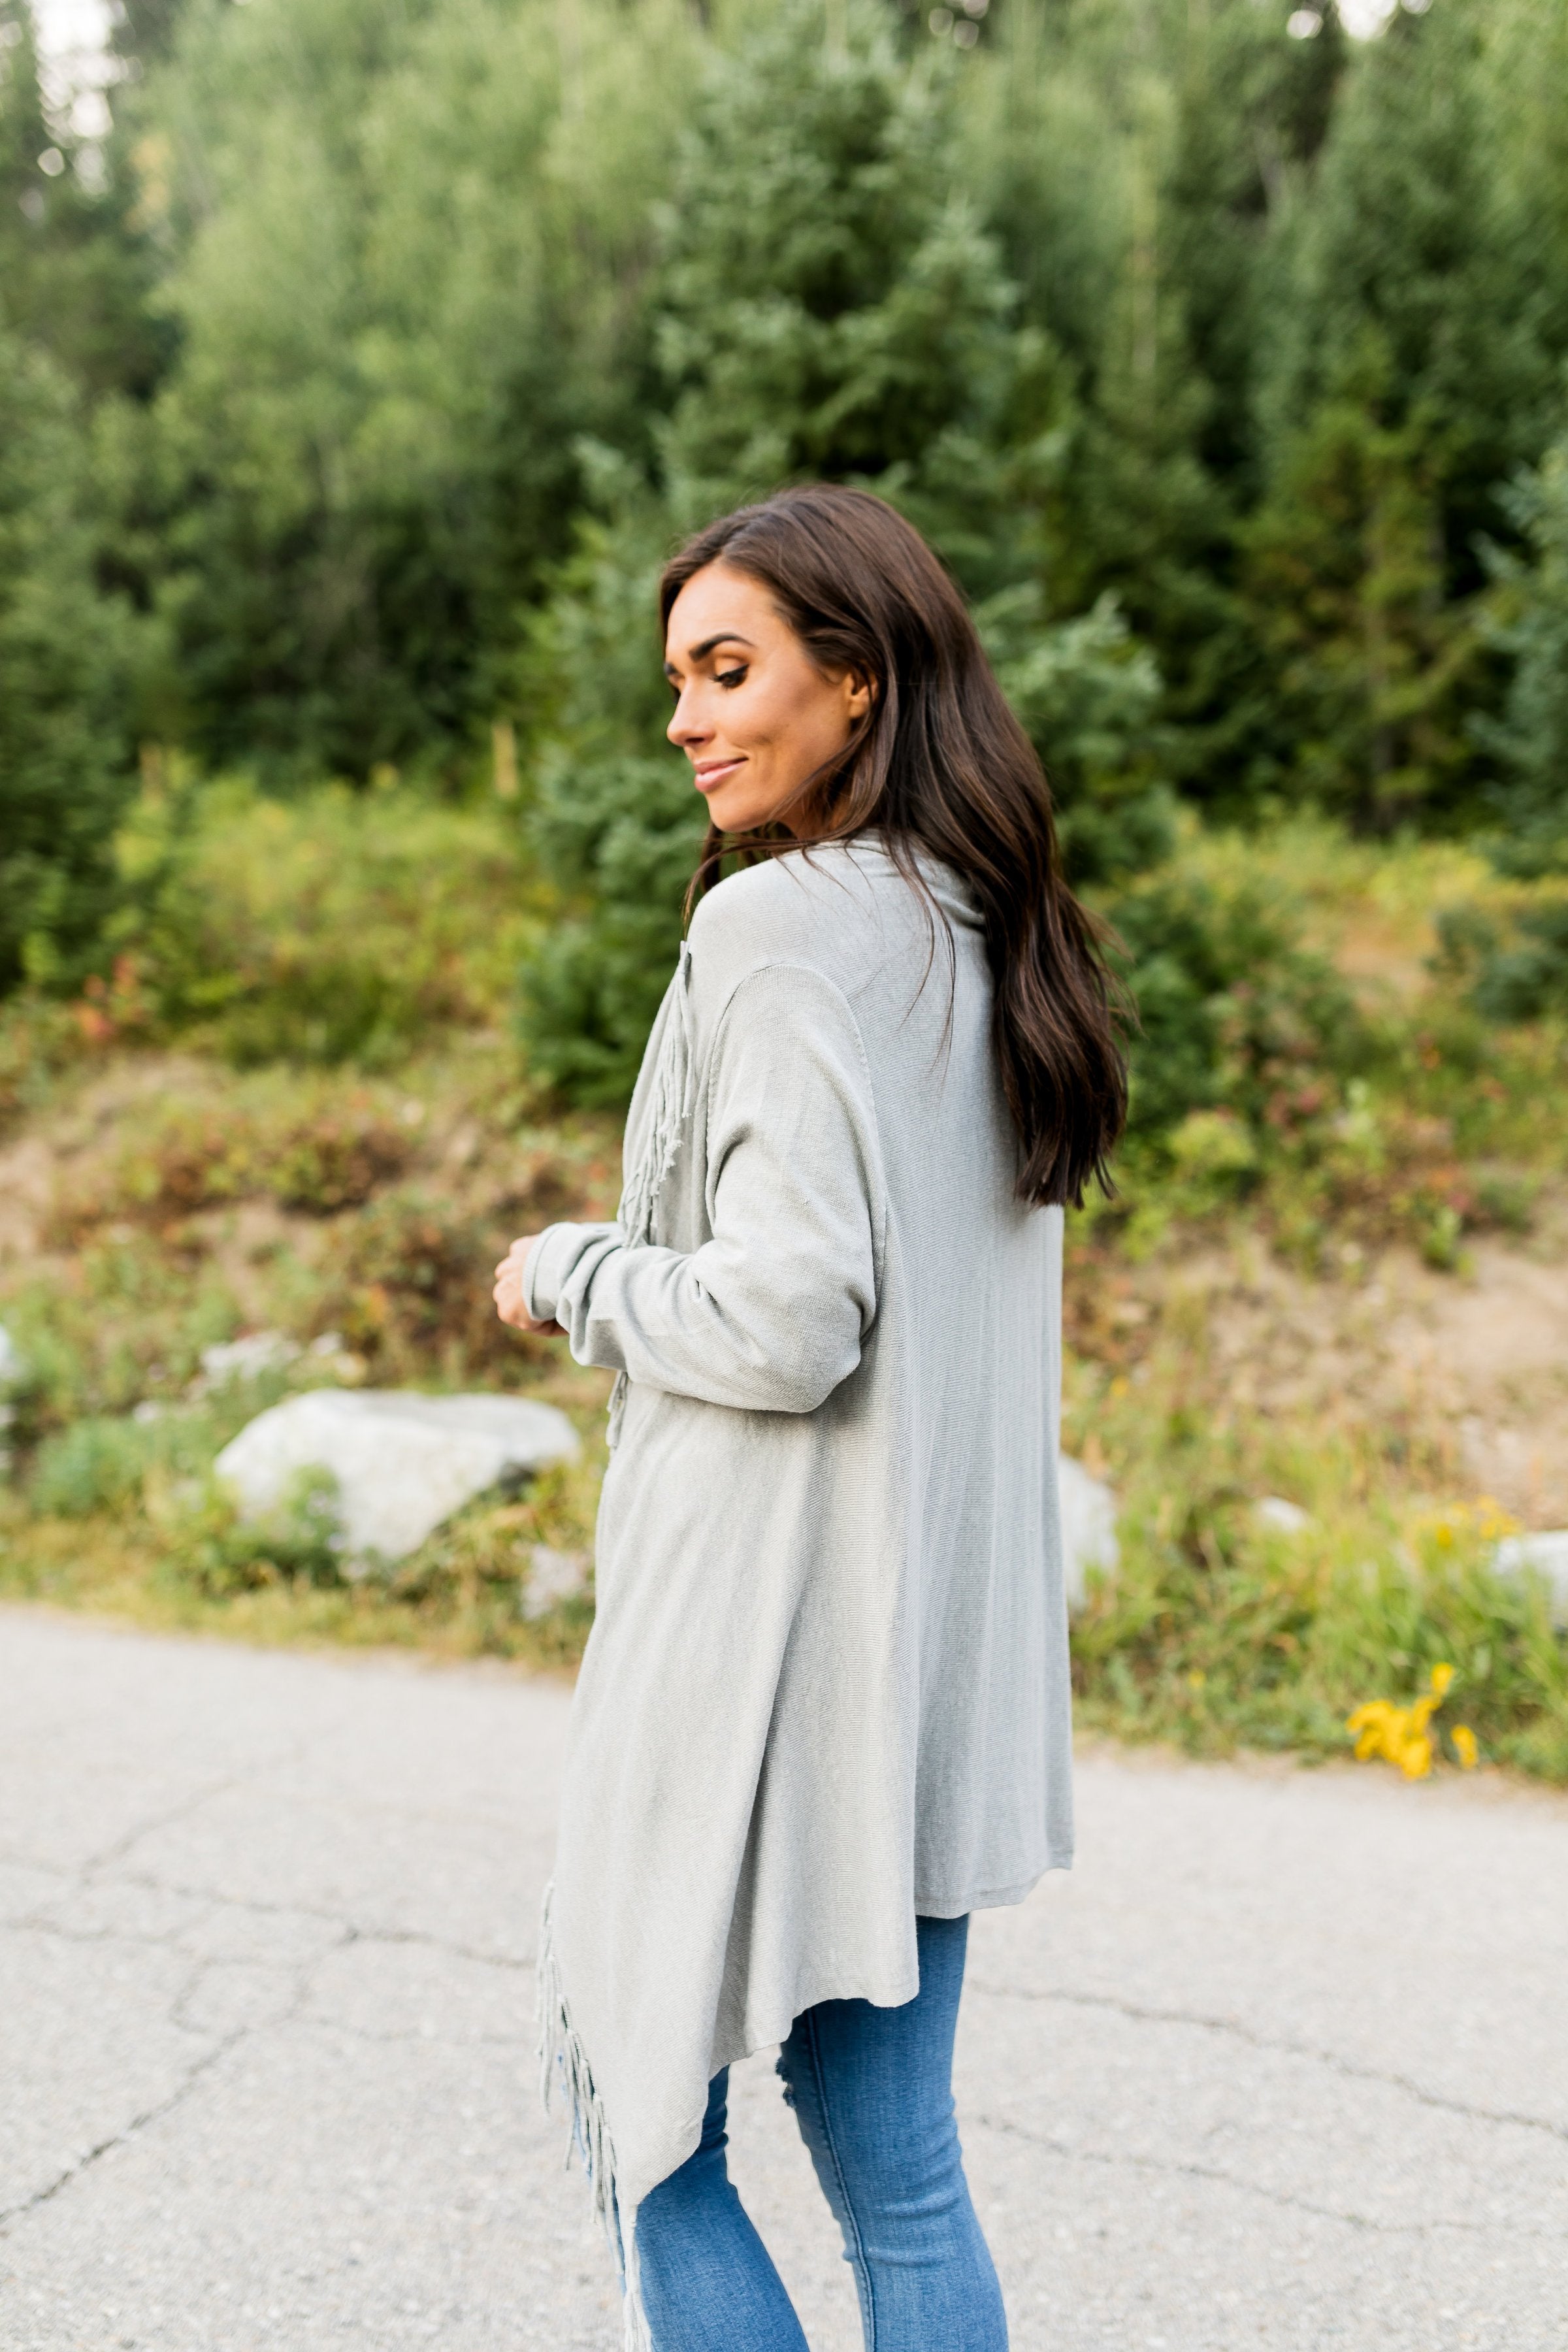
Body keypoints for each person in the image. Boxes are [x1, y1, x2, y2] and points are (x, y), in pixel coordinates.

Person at [493, 484, 1127, 2351]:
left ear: (854, 683)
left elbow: (785, 1321)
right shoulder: (985, 922)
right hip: (927, 1662)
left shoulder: (776, 931)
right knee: (898, 2167)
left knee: (634, 2115)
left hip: (767, 1643)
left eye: (728, 668)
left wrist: (576, 1269)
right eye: (678, 677)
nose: (688, 717)